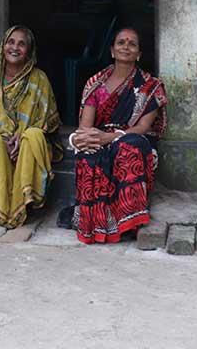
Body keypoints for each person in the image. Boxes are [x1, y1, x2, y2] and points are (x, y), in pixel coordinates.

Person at [69, 27, 167, 244]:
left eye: (132, 43)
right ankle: (95, 223)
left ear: (139, 54)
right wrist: (84, 139)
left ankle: (129, 221)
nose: (126, 46)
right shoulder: (95, 84)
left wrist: (111, 137)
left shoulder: (151, 86)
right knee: (88, 154)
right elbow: (85, 127)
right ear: (112, 51)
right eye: (121, 42)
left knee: (127, 148)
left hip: (134, 138)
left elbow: (142, 127)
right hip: (100, 137)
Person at [0, 25, 61, 228]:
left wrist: (21, 137)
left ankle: (23, 204)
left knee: (34, 136)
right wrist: (4, 138)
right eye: (11, 42)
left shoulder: (39, 79)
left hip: (27, 141)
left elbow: (46, 121)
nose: (15, 47)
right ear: (3, 46)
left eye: (22, 44)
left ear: (29, 50)